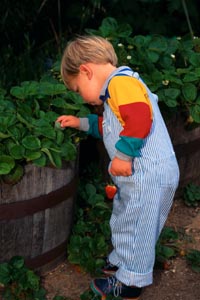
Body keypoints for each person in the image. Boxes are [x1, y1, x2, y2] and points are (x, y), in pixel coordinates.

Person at [56, 35, 180, 299]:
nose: (82, 97)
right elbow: (111, 127)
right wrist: (81, 123)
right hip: (142, 174)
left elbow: (139, 118)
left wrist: (123, 156)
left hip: (149, 172)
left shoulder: (121, 83)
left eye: (78, 89)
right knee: (127, 217)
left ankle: (130, 282)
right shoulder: (116, 91)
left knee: (138, 224)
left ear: (86, 71)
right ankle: (122, 260)